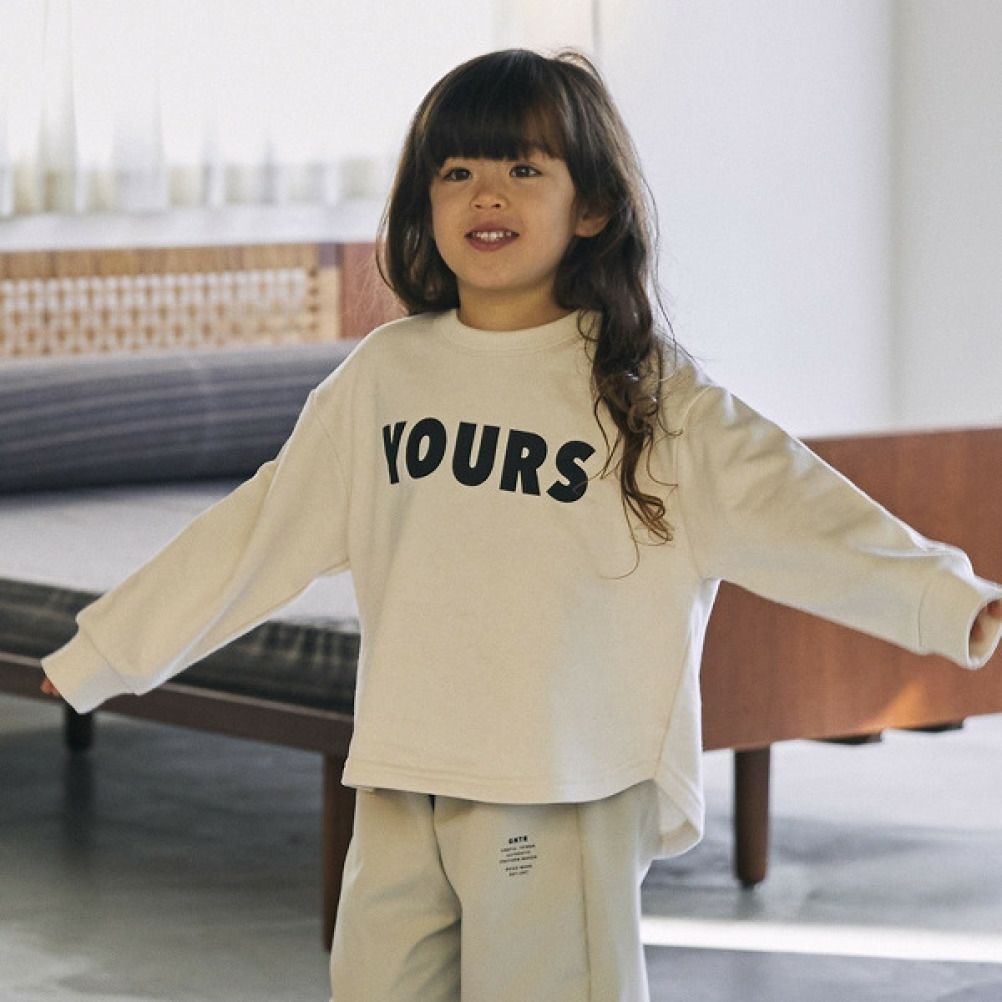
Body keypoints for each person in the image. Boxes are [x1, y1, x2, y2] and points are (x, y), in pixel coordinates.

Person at [41, 49, 1002, 1002]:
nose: (486, 194)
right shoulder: (383, 377)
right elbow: (256, 532)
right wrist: (105, 651)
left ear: (592, 208)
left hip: (561, 782)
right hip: (403, 772)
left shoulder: (647, 394)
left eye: (523, 168)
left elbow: (798, 506)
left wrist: (947, 598)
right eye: (456, 171)